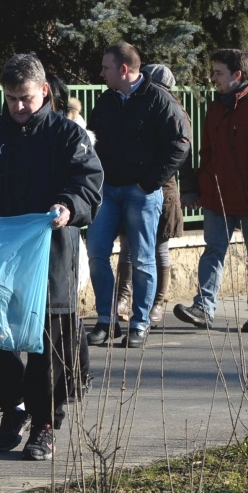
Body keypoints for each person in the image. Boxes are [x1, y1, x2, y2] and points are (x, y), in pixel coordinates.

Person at [0, 53, 103, 460]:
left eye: (26, 98)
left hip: (51, 256)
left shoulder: (67, 135)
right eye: (11, 98)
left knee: (52, 343)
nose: (18, 107)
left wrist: (68, 206)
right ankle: (13, 407)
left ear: (44, 91)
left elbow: (87, 183)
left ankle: (45, 423)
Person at [86, 42, 190, 348]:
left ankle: (139, 323)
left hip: (142, 193)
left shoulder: (157, 99)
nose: (101, 73)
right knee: (96, 253)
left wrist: (150, 182)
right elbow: (91, 143)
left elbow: (181, 143)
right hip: (107, 191)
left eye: (106, 68)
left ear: (123, 69)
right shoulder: (106, 102)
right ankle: (106, 321)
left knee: (144, 259)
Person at [173, 49, 248, 333]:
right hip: (217, 198)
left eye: (218, 73)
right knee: (213, 252)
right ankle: (204, 308)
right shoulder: (215, 108)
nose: (213, 78)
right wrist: (201, 187)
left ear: (237, 75)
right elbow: (207, 152)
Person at [115, 63, 193, 324]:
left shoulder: (174, 111)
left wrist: (189, 189)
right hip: (134, 183)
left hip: (163, 186)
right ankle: (123, 298)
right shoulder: (137, 107)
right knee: (128, 244)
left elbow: (185, 154)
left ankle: (157, 302)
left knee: (158, 246)